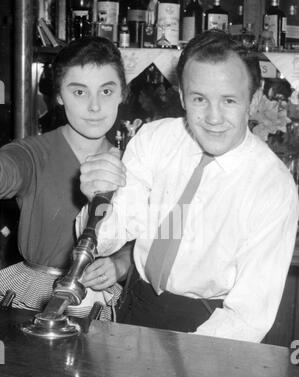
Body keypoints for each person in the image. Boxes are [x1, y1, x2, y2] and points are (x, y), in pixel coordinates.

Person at [77, 30, 299, 342]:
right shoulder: (154, 140)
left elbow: (248, 317)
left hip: (211, 327)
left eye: (229, 100)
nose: (213, 117)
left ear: (253, 99)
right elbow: (110, 236)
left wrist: (190, 363)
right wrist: (97, 200)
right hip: (135, 306)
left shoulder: (273, 187)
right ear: (182, 96)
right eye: (199, 99)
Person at [0, 36, 132, 315]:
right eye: (80, 92)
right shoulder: (33, 153)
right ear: (59, 95)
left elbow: (157, 239)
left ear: (123, 92)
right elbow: (7, 169)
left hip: (96, 302)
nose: (95, 107)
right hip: (33, 296)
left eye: (106, 91)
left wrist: (121, 262)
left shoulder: (135, 163)